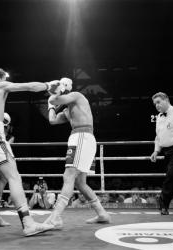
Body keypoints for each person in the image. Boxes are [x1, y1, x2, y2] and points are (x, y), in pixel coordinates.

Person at [0, 67, 60, 236]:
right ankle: (28, 223)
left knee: (4, 177)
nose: (5, 80)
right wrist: (49, 85)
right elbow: (29, 87)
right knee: (14, 176)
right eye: (4, 78)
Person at [43, 77, 111, 229]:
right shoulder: (67, 110)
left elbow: (55, 100)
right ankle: (102, 214)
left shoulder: (77, 96)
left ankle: (55, 216)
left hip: (82, 137)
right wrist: (51, 106)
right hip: (83, 139)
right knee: (80, 183)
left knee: (68, 176)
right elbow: (52, 120)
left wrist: (53, 95)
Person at [150, 92, 173, 215]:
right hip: (167, 152)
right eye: (155, 104)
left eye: (159, 102)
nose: (157, 105)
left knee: (170, 176)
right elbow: (158, 136)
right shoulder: (159, 117)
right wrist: (156, 150)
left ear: (166, 100)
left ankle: (163, 205)